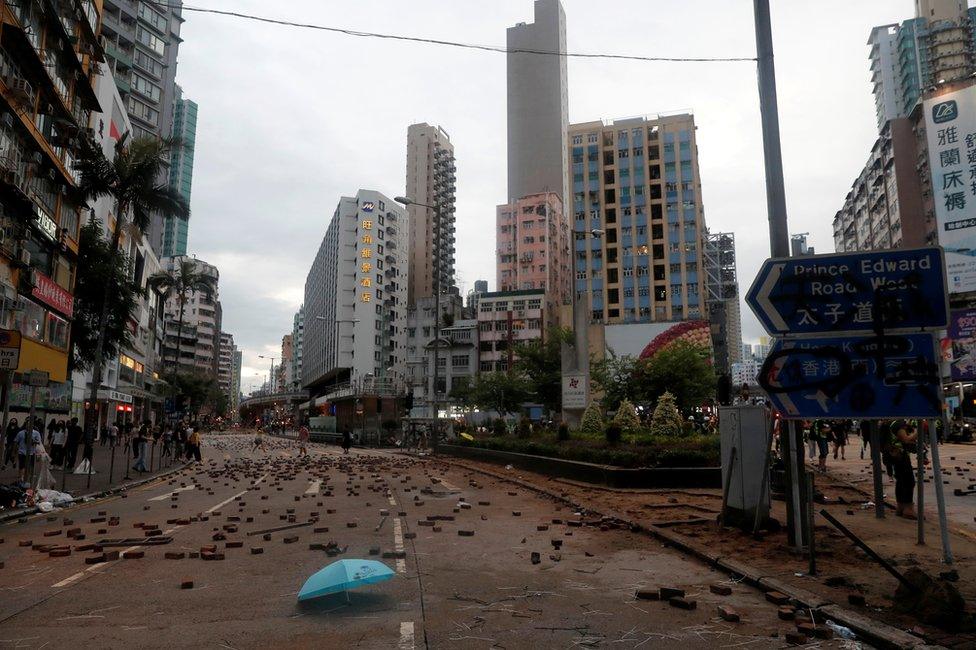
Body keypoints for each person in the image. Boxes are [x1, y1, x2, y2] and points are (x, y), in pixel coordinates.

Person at [885, 419, 918, 519]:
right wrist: (917, 432)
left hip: (895, 455)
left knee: (901, 482)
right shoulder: (898, 424)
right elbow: (906, 439)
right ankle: (908, 509)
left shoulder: (892, 423)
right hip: (900, 456)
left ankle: (901, 507)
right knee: (908, 482)